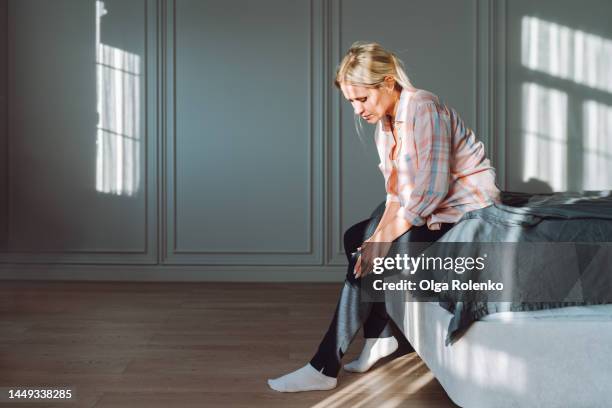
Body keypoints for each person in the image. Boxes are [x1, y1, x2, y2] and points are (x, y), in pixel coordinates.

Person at [267, 41, 501, 392]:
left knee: (377, 248)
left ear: (388, 83)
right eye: (351, 102)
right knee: (357, 239)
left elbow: (429, 193)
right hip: (433, 211)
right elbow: (397, 196)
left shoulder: (424, 107)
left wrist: (383, 241)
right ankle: (380, 334)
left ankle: (324, 365)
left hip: (467, 215)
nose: (357, 109)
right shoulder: (386, 126)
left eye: (362, 99)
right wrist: (375, 239)